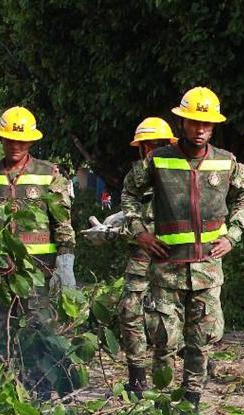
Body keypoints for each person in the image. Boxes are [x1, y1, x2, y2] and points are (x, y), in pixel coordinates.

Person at [121, 87, 244, 406]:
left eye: (206, 124)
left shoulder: (226, 162)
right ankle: (160, 406)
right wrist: (140, 232)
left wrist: (232, 235)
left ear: (214, 126)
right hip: (167, 271)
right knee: (164, 342)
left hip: (208, 271)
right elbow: (129, 194)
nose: (200, 129)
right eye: (194, 122)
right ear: (182, 122)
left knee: (201, 343)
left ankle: (191, 405)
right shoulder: (158, 160)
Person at [82, 117, 178, 393]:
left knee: (166, 319)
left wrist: (117, 232)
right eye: (148, 146)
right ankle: (137, 379)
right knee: (129, 312)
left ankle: (166, 381)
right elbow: (134, 212)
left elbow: (161, 223)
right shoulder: (137, 178)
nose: (152, 151)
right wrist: (114, 224)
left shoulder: (178, 178)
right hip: (139, 260)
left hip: (170, 261)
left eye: (158, 145)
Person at [0, 106, 76, 358]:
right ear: (0, 138)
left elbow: (62, 220)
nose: (15, 146)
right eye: (10, 140)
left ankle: (35, 377)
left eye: (21, 141)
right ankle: (4, 371)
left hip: (38, 268)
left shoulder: (48, 174)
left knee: (37, 328)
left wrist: (65, 262)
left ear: (30, 142)